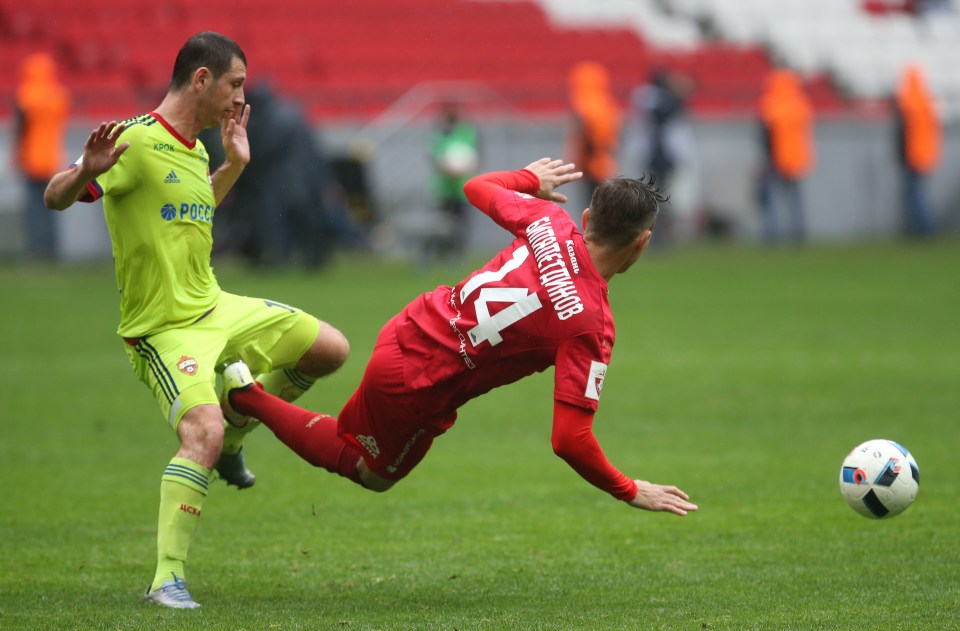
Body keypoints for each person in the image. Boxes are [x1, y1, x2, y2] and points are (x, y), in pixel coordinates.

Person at [42, 32, 350, 609]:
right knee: (198, 432)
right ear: (201, 80)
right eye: (235, 85)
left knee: (330, 348)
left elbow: (194, 208)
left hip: (214, 305)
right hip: (163, 327)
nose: (240, 100)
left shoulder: (194, 149)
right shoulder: (133, 141)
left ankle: (238, 429)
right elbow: (55, 198)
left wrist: (234, 164)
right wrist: (86, 168)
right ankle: (166, 579)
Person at [220, 157, 698, 518]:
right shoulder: (591, 325)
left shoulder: (548, 221)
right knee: (370, 471)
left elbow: (477, 186)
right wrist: (630, 489)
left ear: (589, 218)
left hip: (410, 325)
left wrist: (530, 179)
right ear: (642, 242)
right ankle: (244, 396)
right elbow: (569, 440)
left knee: (370, 457)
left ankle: (247, 400)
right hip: (419, 385)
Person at [14, 51, 70, 262]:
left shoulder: (26, 96)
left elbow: (20, 129)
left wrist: (16, 154)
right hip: (53, 158)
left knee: (34, 208)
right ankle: (52, 249)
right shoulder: (59, 95)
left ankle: (36, 250)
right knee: (53, 205)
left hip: (31, 159)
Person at [629, 68, 695, 243]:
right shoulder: (651, 98)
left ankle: (659, 235)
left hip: (659, 155)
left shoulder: (654, 99)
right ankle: (657, 234)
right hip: (657, 155)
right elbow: (665, 110)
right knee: (657, 197)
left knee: (659, 196)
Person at [756, 69, 815, 244]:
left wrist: (765, 158)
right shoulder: (800, 104)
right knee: (795, 199)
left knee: (771, 199)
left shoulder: (770, 104)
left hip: (775, 158)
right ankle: (798, 232)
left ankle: (772, 234)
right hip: (795, 158)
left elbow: (765, 135)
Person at [427, 100, 480, 261]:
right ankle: (442, 252)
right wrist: (445, 168)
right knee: (442, 223)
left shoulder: (468, 132)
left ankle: (458, 253)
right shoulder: (440, 133)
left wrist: (466, 168)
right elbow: (434, 157)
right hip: (444, 187)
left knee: (461, 222)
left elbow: (474, 157)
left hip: (463, 187)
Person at [894, 64, 941, 237]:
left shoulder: (911, 104)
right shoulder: (926, 101)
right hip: (926, 154)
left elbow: (906, 134)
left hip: (915, 156)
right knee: (918, 194)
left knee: (916, 195)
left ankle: (924, 229)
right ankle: (924, 228)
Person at [567, 61, 622, 205]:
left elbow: (585, 140)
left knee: (592, 208)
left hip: (592, 165)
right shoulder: (607, 104)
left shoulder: (584, 105)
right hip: (604, 163)